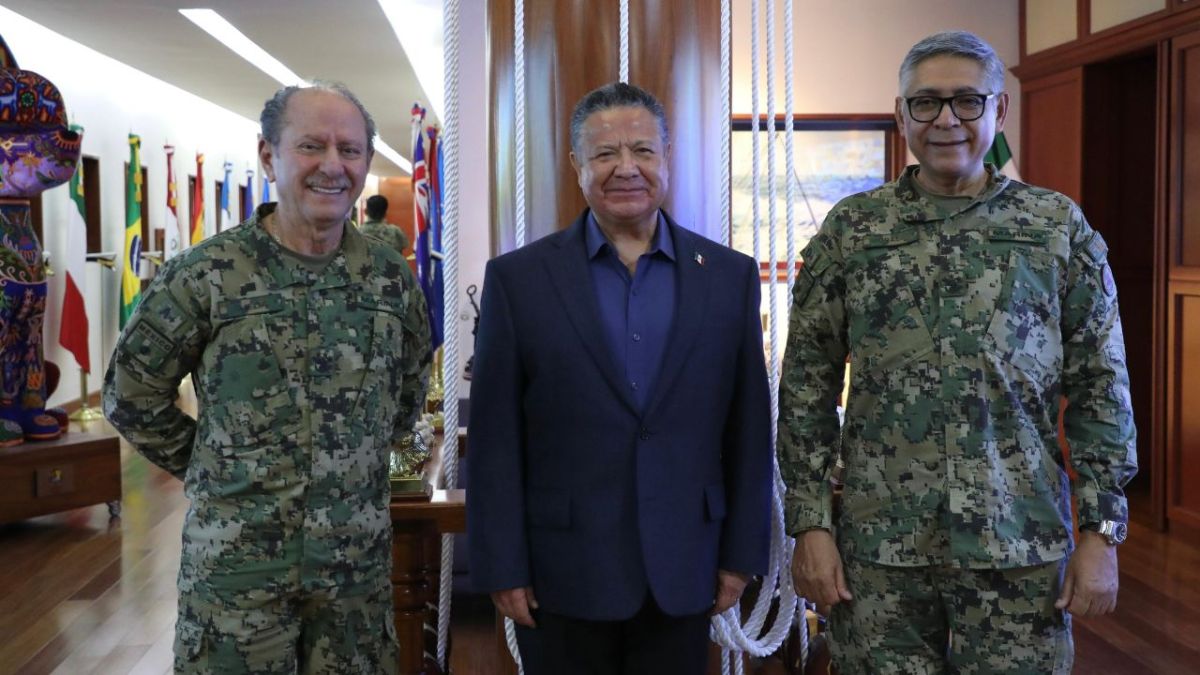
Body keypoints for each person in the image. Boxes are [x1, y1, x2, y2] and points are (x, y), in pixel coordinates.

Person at [777, 31, 1138, 673]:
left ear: (999, 113)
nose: (947, 119)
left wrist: (1101, 534)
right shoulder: (854, 230)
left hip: (1018, 545)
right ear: (901, 114)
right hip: (879, 548)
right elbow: (805, 386)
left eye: (968, 102)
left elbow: (1100, 388)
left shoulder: (1056, 229)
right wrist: (810, 525)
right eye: (927, 103)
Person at [103, 81, 432, 674]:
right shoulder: (207, 274)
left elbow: (406, 395)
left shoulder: (389, 278)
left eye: (350, 150)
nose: (333, 166)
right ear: (267, 155)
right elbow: (130, 396)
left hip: (353, 577)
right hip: (237, 579)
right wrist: (215, 468)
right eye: (311, 146)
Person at [467, 82, 773, 674]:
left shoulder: (728, 277)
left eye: (642, 151)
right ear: (577, 165)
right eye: (605, 154)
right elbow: (495, 438)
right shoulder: (519, 280)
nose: (625, 168)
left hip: (687, 567)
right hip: (560, 571)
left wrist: (741, 555)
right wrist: (501, 566)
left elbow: (748, 427)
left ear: (667, 159)